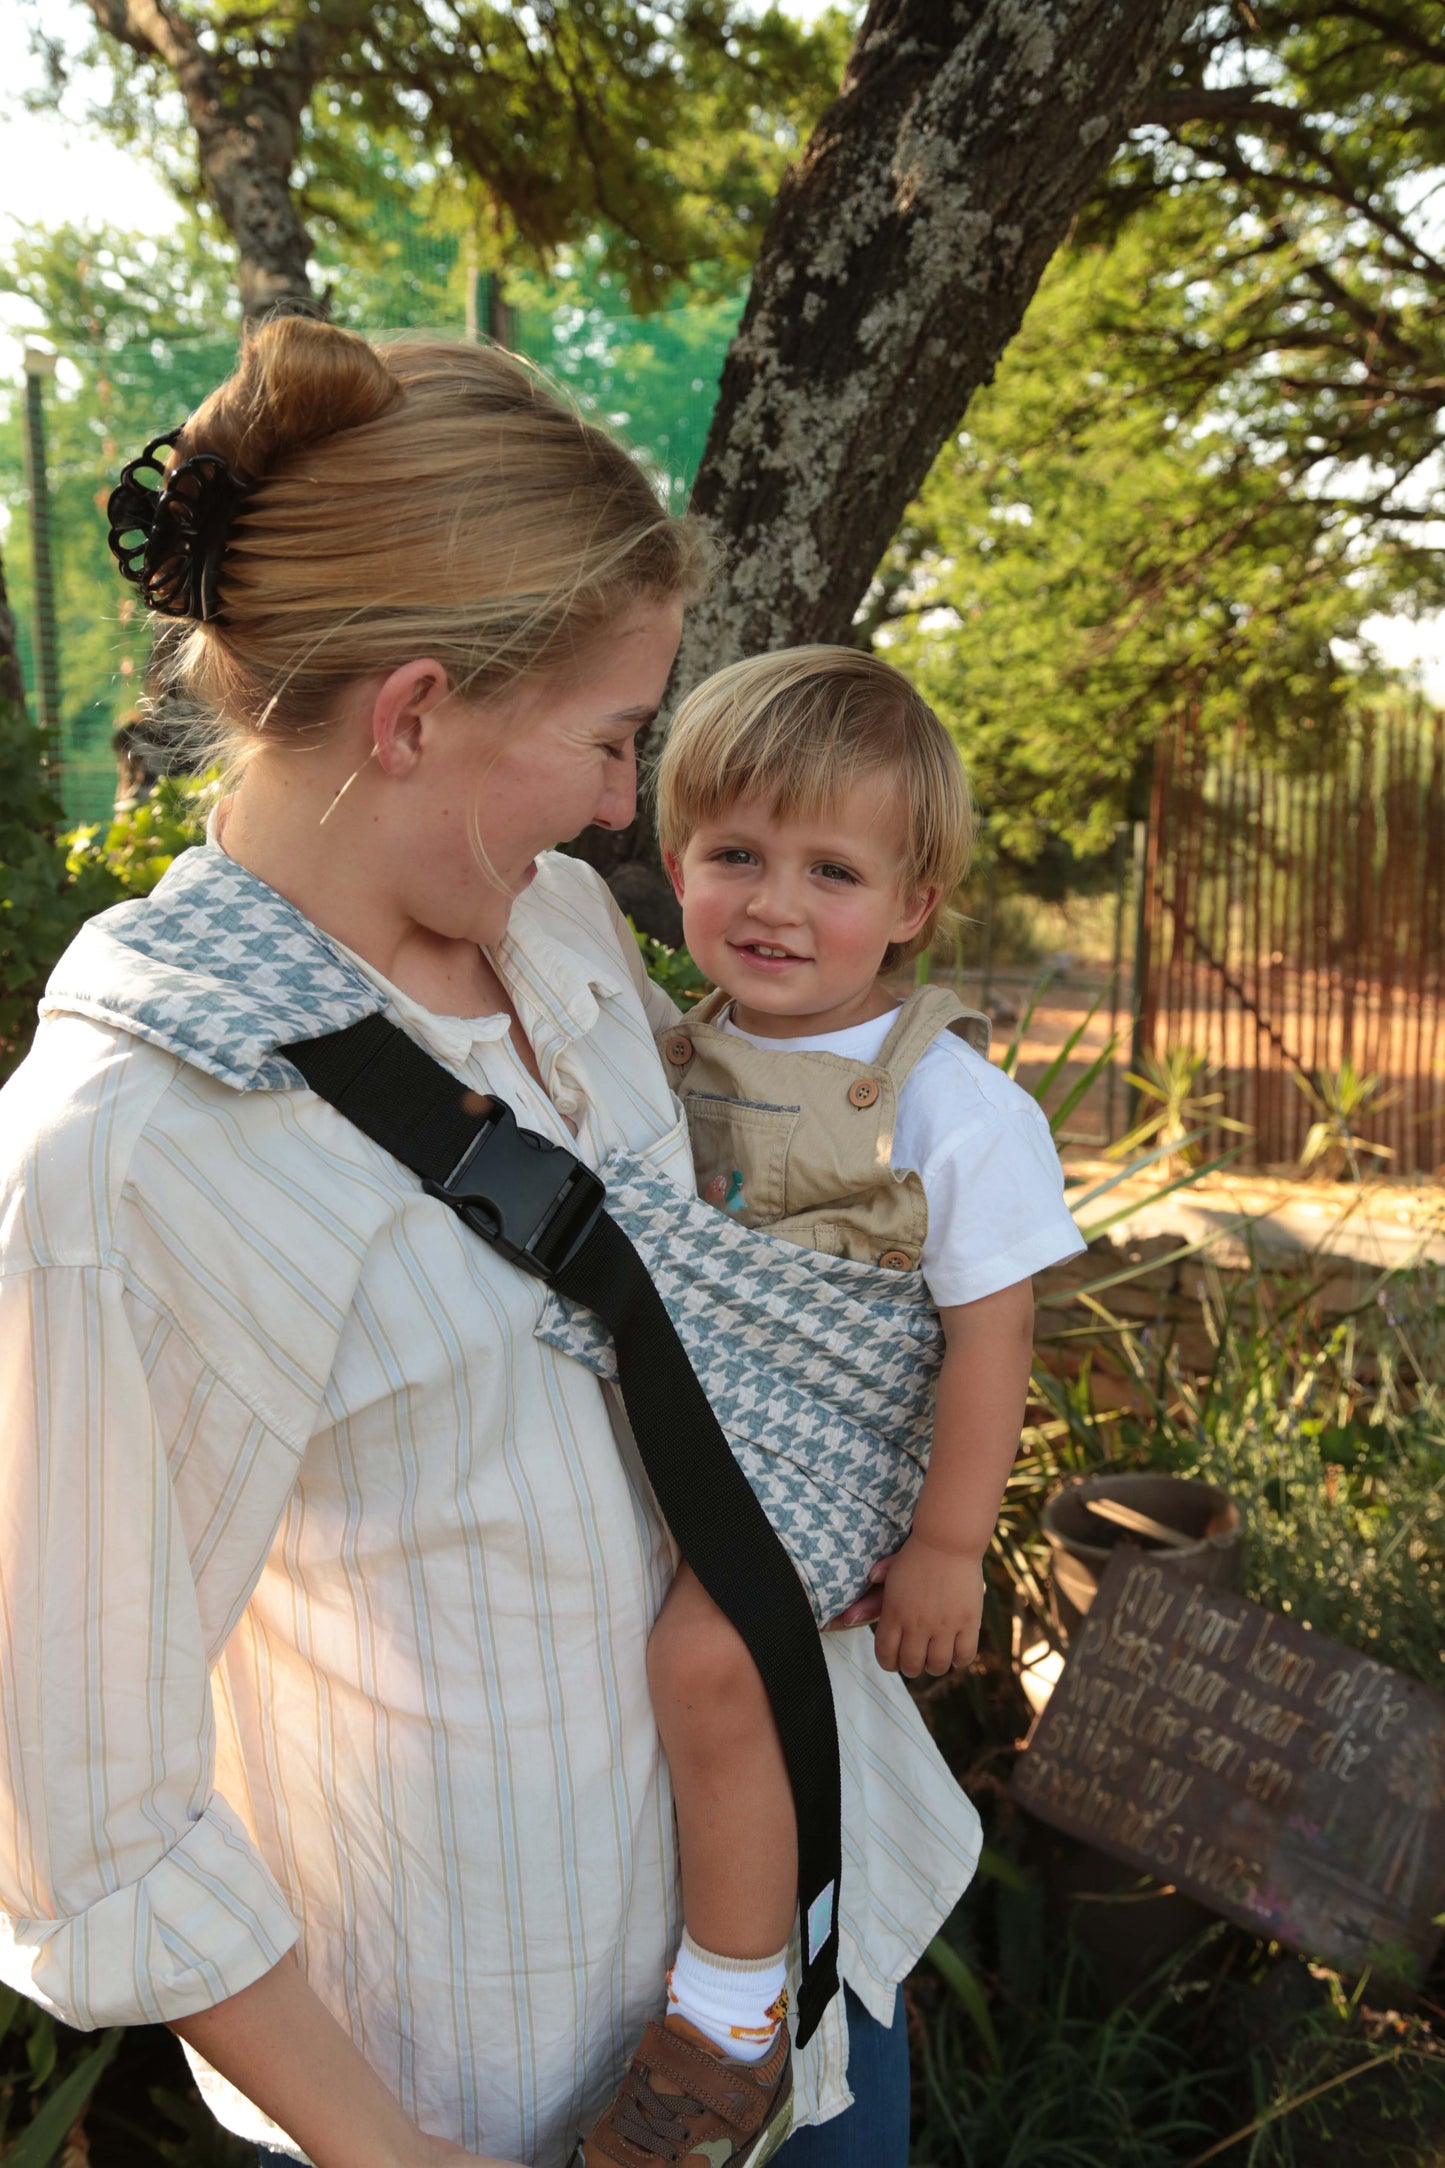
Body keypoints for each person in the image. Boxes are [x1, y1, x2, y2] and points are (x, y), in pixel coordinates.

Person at [0, 320, 985, 2168]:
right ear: (415, 713)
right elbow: (88, 1811)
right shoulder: (126, 1161)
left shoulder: (562, 944)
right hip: (520, 2101)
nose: (627, 808)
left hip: (826, 1946)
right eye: (610, 739)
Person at [560, 648, 1084, 2164]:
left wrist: (945, 1549)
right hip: (695, 1415)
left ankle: (732, 2020)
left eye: (832, 871)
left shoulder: (946, 1099)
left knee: (712, 1649)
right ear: (674, 867)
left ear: (913, 903)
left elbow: (988, 1334)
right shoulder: (656, 1051)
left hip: (838, 1442)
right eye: (736, 856)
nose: (775, 904)